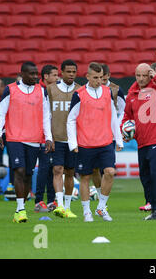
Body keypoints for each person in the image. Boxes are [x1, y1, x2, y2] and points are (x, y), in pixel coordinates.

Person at [0, 61, 54, 223]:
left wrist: (48, 137)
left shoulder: (42, 91)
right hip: (14, 138)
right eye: (32, 73)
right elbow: (1, 113)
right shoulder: (10, 89)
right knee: (19, 171)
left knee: (28, 174)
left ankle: (20, 209)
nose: (35, 76)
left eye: (36, 74)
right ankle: (20, 209)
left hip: (34, 139)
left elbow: (46, 116)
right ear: (22, 74)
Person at [67, 63, 123, 222]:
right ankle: (86, 212)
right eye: (96, 78)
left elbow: (113, 117)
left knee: (110, 172)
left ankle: (101, 207)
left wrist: (118, 139)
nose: (99, 81)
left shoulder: (107, 92)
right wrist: (73, 143)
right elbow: (71, 119)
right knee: (85, 178)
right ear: (88, 77)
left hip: (105, 142)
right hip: (85, 144)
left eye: (101, 78)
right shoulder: (79, 94)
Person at [122, 63, 156, 220]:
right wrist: (124, 129)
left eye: (144, 75)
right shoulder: (132, 94)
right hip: (141, 142)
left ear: (150, 75)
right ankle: (153, 206)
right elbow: (127, 117)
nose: (141, 79)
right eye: (138, 75)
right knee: (144, 176)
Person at [46, 59, 81, 218]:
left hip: (73, 139)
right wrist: (48, 137)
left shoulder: (81, 91)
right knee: (57, 169)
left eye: (74, 72)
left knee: (70, 172)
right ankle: (59, 205)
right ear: (62, 72)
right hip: (57, 138)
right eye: (69, 71)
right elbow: (46, 115)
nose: (71, 74)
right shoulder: (51, 90)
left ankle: (67, 206)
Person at [91, 64, 126, 201]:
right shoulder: (91, 91)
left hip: (109, 134)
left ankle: (103, 197)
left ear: (108, 76)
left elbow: (123, 111)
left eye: (104, 80)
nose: (101, 82)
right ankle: (100, 194)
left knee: (107, 169)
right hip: (93, 134)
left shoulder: (116, 90)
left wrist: (116, 126)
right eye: (99, 79)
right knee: (94, 169)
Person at [34, 64, 58, 213]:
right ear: (46, 76)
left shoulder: (53, 91)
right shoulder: (39, 91)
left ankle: (50, 201)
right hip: (40, 137)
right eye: (54, 75)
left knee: (51, 168)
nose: (57, 78)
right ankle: (38, 201)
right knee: (43, 169)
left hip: (51, 136)